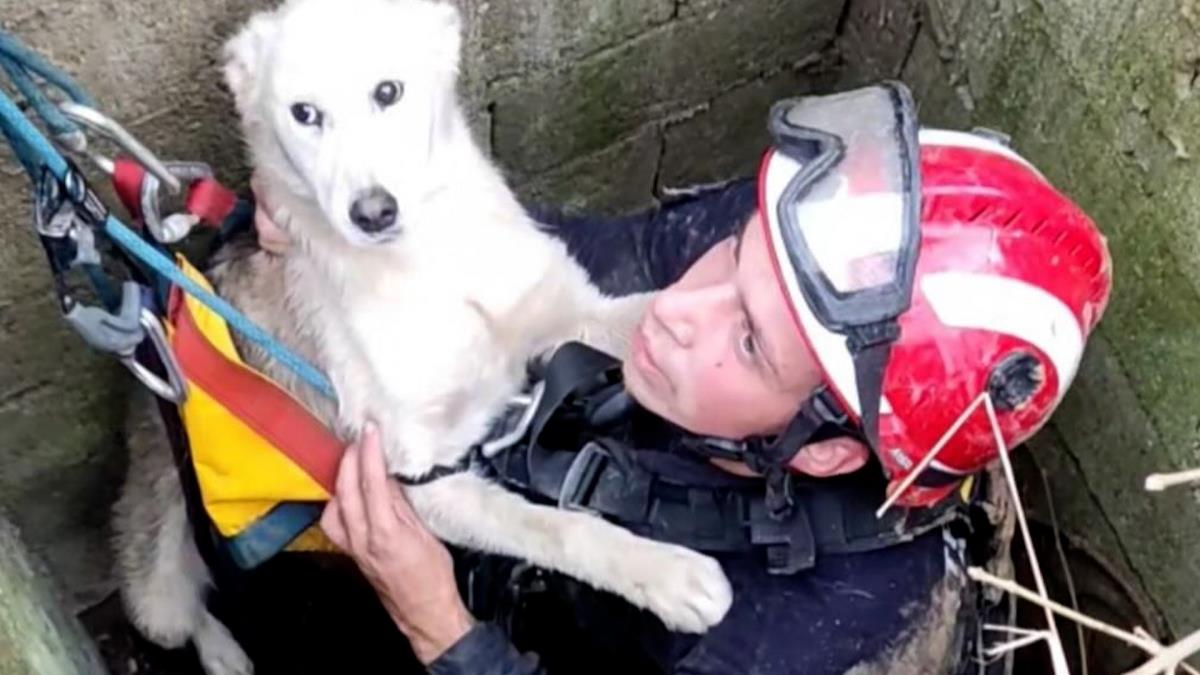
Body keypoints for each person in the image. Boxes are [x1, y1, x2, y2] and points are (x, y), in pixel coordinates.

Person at [255, 83, 1112, 674]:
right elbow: (549, 261)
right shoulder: (784, 262)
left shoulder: (804, 636)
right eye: (732, 260)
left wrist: (436, 623)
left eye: (747, 344)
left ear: (818, 454)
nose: (676, 309)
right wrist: (357, 214)